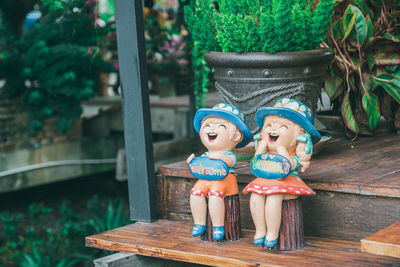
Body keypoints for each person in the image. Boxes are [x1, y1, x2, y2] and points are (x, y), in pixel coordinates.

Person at [242, 98, 321, 248]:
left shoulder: (292, 153)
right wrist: (261, 148)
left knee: (274, 196)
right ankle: (260, 230)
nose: (273, 130)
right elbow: (256, 161)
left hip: (286, 181)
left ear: (300, 134)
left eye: (282, 126)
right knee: (255, 195)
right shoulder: (264, 146)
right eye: (269, 125)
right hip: (265, 178)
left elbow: (290, 165)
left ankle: (272, 233)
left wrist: (282, 151)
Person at [187, 103, 252, 240]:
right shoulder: (206, 154)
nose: (211, 129)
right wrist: (192, 162)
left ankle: (218, 226)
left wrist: (218, 156)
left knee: (215, 194)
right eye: (208, 125)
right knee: (195, 192)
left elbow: (229, 162)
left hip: (225, 180)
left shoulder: (228, 155)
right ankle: (199, 223)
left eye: (220, 126)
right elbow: (201, 165)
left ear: (235, 136)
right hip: (206, 178)